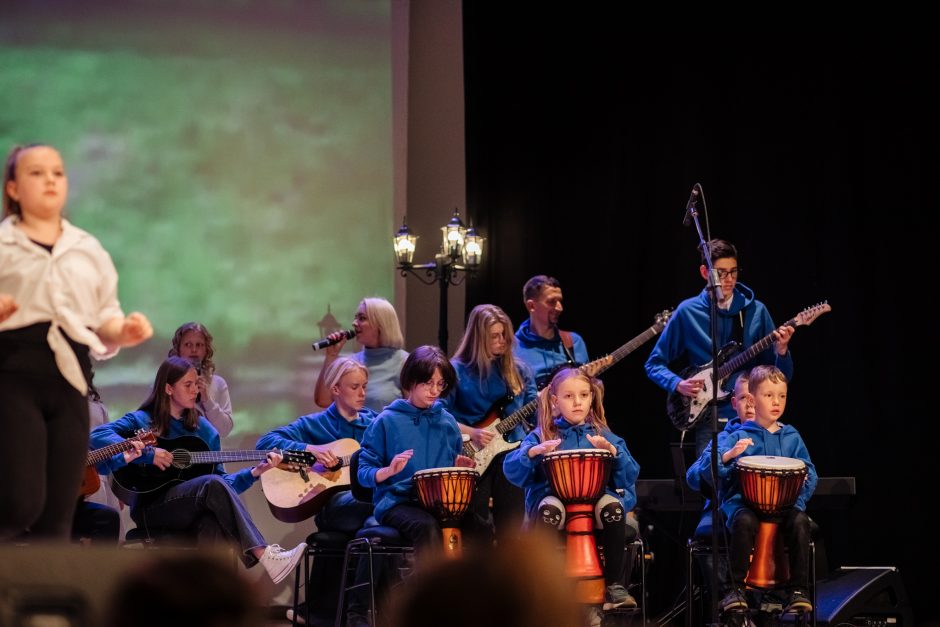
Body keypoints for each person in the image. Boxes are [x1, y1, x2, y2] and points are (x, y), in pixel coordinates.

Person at [0, 143, 153, 541]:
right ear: (14, 189)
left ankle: (45, 601)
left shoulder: (86, 249)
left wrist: (121, 331)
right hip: (15, 379)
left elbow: (103, 315)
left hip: (70, 384)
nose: (50, 179)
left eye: (57, 172)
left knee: (60, 511)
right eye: (36, 173)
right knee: (21, 502)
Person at [90, 356, 306, 584]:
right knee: (210, 484)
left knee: (212, 518)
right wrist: (149, 455)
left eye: (197, 384)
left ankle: (205, 604)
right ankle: (263, 554)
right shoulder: (142, 420)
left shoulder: (205, 430)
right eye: (188, 385)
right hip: (151, 509)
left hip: (191, 508)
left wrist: (254, 472)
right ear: (168, 388)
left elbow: (223, 487)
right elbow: (96, 436)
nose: (196, 390)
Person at [503, 367, 641, 623]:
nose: (577, 402)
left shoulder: (604, 435)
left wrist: (613, 452)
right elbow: (512, 471)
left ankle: (614, 585)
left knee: (614, 509)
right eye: (568, 396)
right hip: (556, 503)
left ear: (592, 397)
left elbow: (629, 477)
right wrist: (532, 453)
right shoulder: (540, 435)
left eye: (583, 395)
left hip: (595, 502)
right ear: (555, 400)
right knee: (549, 511)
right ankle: (543, 585)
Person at [644, 238, 795, 455]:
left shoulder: (756, 311)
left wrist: (782, 351)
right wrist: (678, 384)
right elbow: (653, 364)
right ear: (705, 272)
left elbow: (781, 377)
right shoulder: (688, 312)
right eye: (721, 273)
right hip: (710, 419)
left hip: (752, 417)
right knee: (712, 481)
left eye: (733, 272)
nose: (729, 279)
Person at [257, 357, 376, 624]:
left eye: (365, 386)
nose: (362, 393)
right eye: (354, 386)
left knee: (377, 517)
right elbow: (266, 441)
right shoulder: (316, 424)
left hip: (365, 505)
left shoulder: (374, 422)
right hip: (332, 507)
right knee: (379, 503)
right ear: (335, 389)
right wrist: (312, 449)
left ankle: (355, 612)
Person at [357, 345, 480, 554]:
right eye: (428, 383)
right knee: (426, 528)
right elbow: (363, 473)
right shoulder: (387, 421)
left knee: (480, 527)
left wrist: (456, 465)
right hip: (397, 503)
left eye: (440, 384)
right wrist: (389, 471)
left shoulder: (447, 422)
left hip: (438, 503)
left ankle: (473, 586)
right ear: (411, 380)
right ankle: (430, 586)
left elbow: (447, 468)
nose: (435, 391)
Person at [715, 365, 816, 615]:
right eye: (768, 395)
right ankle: (735, 589)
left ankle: (798, 590)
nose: (776, 402)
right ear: (752, 399)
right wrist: (729, 456)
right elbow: (716, 472)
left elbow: (810, 473)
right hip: (745, 504)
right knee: (744, 522)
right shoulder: (738, 435)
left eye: (781, 396)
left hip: (783, 506)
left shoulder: (792, 436)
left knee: (800, 521)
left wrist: (798, 502)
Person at [442, 304, 536, 544]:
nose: (502, 340)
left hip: (512, 454)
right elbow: (439, 414)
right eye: (495, 336)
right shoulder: (456, 371)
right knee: (476, 525)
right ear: (479, 338)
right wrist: (471, 432)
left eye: (505, 334)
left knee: (512, 525)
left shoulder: (519, 371)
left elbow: (536, 413)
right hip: (473, 453)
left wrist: (555, 403)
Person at [104, 552, 266, 627]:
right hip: (154, 503)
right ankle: (261, 553)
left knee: (216, 507)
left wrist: (245, 480)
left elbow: (230, 489)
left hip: (191, 500)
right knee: (214, 485)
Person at [314, 297, 408, 412]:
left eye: (362, 318)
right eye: (355, 318)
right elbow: (323, 401)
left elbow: (413, 412)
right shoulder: (351, 362)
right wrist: (331, 356)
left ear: (381, 324)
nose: (354, 323)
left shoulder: (405, 362)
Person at [513, 275, 589, 388]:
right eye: (552, 301)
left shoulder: (573, 341)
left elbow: (586, 388)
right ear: (531, 306)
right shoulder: (512, 348)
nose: (560, 308)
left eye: (560, 301)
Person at [169, 321, 233, 438]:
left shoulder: (218, 383)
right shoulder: (166, 383)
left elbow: (225, 431)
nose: (194, 350)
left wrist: (207, 400)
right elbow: (149, 422)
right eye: (188, 345)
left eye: (199, 345)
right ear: (178, 349)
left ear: (206, 350)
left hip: (210, 454)